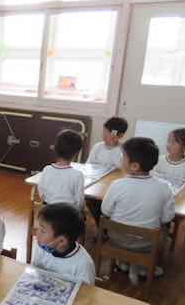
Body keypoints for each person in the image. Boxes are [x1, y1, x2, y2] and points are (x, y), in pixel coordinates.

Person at [101, 137, 176, 284]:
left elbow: (105, 211)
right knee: (165, 231)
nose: (121, 159)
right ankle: (140, 266)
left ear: (134, 166)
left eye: (123, 157)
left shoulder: (117, 184)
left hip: (117, 238)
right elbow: (167, 218)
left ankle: (124, 262)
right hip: (147, 243)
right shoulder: (164, 187)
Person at [32, 203, 95, 285]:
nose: (36, 233)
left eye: (42, 231)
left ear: (62, 241)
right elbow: (35, 273)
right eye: (38, 228)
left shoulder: (83, 265)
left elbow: (86, 291)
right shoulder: (42, 248)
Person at [86, 117, 129, 226]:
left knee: (110, 203)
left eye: (108, 134)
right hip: (97, 182)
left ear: (119, 136)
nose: (104, 136)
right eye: (104, 133)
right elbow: (88, 165)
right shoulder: (98, 147)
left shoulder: (123, 150)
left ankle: (108, 224)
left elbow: (124, 171)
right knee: (92, 200)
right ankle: (101, 225)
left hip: (113, 185)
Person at [38, 129, 85, 210]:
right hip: (68, 214)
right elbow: (79, 202)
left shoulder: (47, 169)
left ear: (55, 148)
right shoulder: (78, 175)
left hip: (48, 212)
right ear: (76, 153)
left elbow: (41, 192)